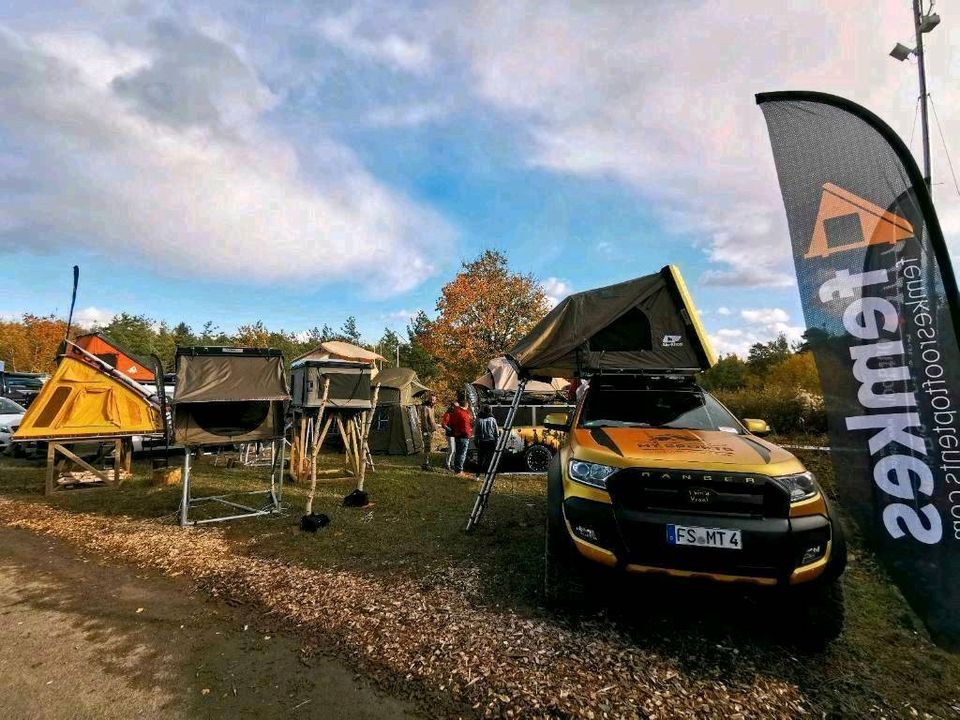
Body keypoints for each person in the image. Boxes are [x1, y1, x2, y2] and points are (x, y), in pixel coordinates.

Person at [448, 391, 473, 477]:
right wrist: (469, 434)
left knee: (458, 453)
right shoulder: (464, 414)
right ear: (466, 405)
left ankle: (457, 469)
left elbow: (452, 422)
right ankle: (459, 471)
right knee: (462, 454)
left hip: (457, 435)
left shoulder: (456, 412)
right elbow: (466, 426)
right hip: (464, 436)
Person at [473, 404, 499, 479]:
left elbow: (476, 433)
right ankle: (487, 475)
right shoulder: (493, 420)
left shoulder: (480, 420)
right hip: (491, 441)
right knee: (489, 459)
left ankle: (477, 475)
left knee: (480, 459)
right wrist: (496, 440)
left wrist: (476, 442)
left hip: (482, 442)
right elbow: (496, 432)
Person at [418, 394, 438, 470]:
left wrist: (434, 428)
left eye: (433, 400)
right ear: (428, 399)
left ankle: (426, 462)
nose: (432, 401)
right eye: (431, 399)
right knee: (427, 447)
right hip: (426, 431)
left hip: (431, 430)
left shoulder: (432, 408)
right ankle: (425, 464)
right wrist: (427, 431)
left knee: (429, 447)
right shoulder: (425, 408)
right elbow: (424, 421)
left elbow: (432, 420)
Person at [440, 402, 456, 470]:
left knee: (455, 450)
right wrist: (449, 429)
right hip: (450, 434)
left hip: (456, 434)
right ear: (452, 406)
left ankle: (452, 464)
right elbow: (443, 424)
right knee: (451, 450)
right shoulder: (448, 414)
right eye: (455, 406)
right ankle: (447, 464)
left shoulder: (456, 413)